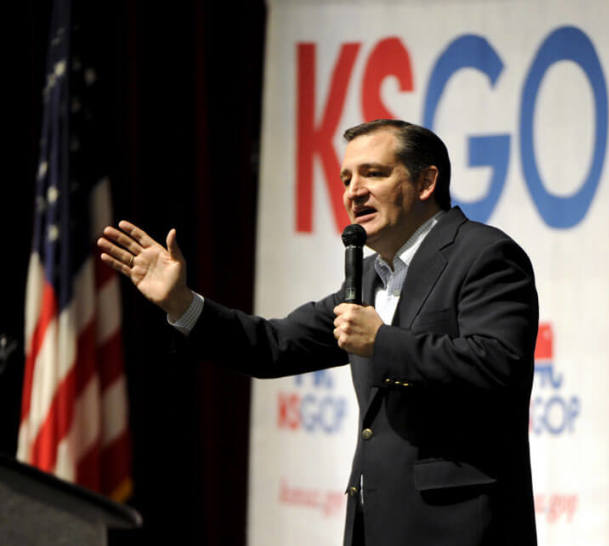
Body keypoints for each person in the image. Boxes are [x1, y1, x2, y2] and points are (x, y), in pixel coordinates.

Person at [98, 119, 539, 546]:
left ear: (426, 182)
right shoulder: (368, 276)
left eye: (374, 173)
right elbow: (273, 346)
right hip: (375, 523)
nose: (353, 192)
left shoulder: (483, 254)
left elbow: (500, 364)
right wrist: (181, 302)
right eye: (346, 178)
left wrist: (383, 341)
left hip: (460, 528)